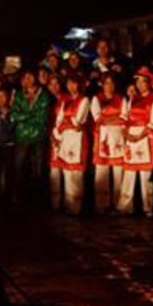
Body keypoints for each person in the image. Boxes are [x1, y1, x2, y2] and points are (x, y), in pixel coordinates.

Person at [116, 67, 153, 216]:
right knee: (129, 173)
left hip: (145, 138)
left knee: (145, 174)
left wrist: (140, 136)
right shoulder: (133, 98)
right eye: (138, 82)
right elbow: (125, 117)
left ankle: (148, 207)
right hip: (131, 137)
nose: (140, 85)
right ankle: (125, 205)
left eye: (143, 82)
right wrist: (126, 133)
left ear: (148, 83)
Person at [12, 68, 53, 206]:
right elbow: (14, 115)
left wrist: (25, 117)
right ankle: (21, 199)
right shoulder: (18, 95)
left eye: (30, 76)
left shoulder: (44, 95)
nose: (27, 80)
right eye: (24, 77)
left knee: (39, 169)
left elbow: (42, 117)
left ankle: (39, 200)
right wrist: (31, 115)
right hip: (22, 137)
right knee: (20, 168)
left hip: (38, 136)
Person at [51, 75, 89, 215]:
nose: (71, 87)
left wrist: (65, 125)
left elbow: (77, 122)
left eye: (74, 83)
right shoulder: (64, 100)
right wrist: (57, 133)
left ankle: (76, 206)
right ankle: (67, 205)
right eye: (68, 84)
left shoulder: (84, 100)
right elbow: (59, 119)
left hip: (77, 138)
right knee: (66, 170)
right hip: (65, 138)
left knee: (76, 172)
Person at [90, 72, 125, 213]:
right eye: (106, 83)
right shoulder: (96, 99)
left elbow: (125, 118)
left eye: (112, 83)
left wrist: (108, 119)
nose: (109, 86)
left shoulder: (121, 99)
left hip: (118, 138)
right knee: (102, 172)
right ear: (102, 85)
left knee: (118, 173)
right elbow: (97, 118)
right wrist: (115, 118)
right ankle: (101, 204)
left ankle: (118, 203)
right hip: (102, 138)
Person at [48, 74, 66, 210]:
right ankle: (54, 203)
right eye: (51, 84)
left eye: (57, 83)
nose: (54, 87)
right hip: (50, 137)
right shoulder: (46, 100)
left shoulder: (66, 99)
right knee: (53, 171)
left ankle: (68, 201)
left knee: (66, 168)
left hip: (64, 136)